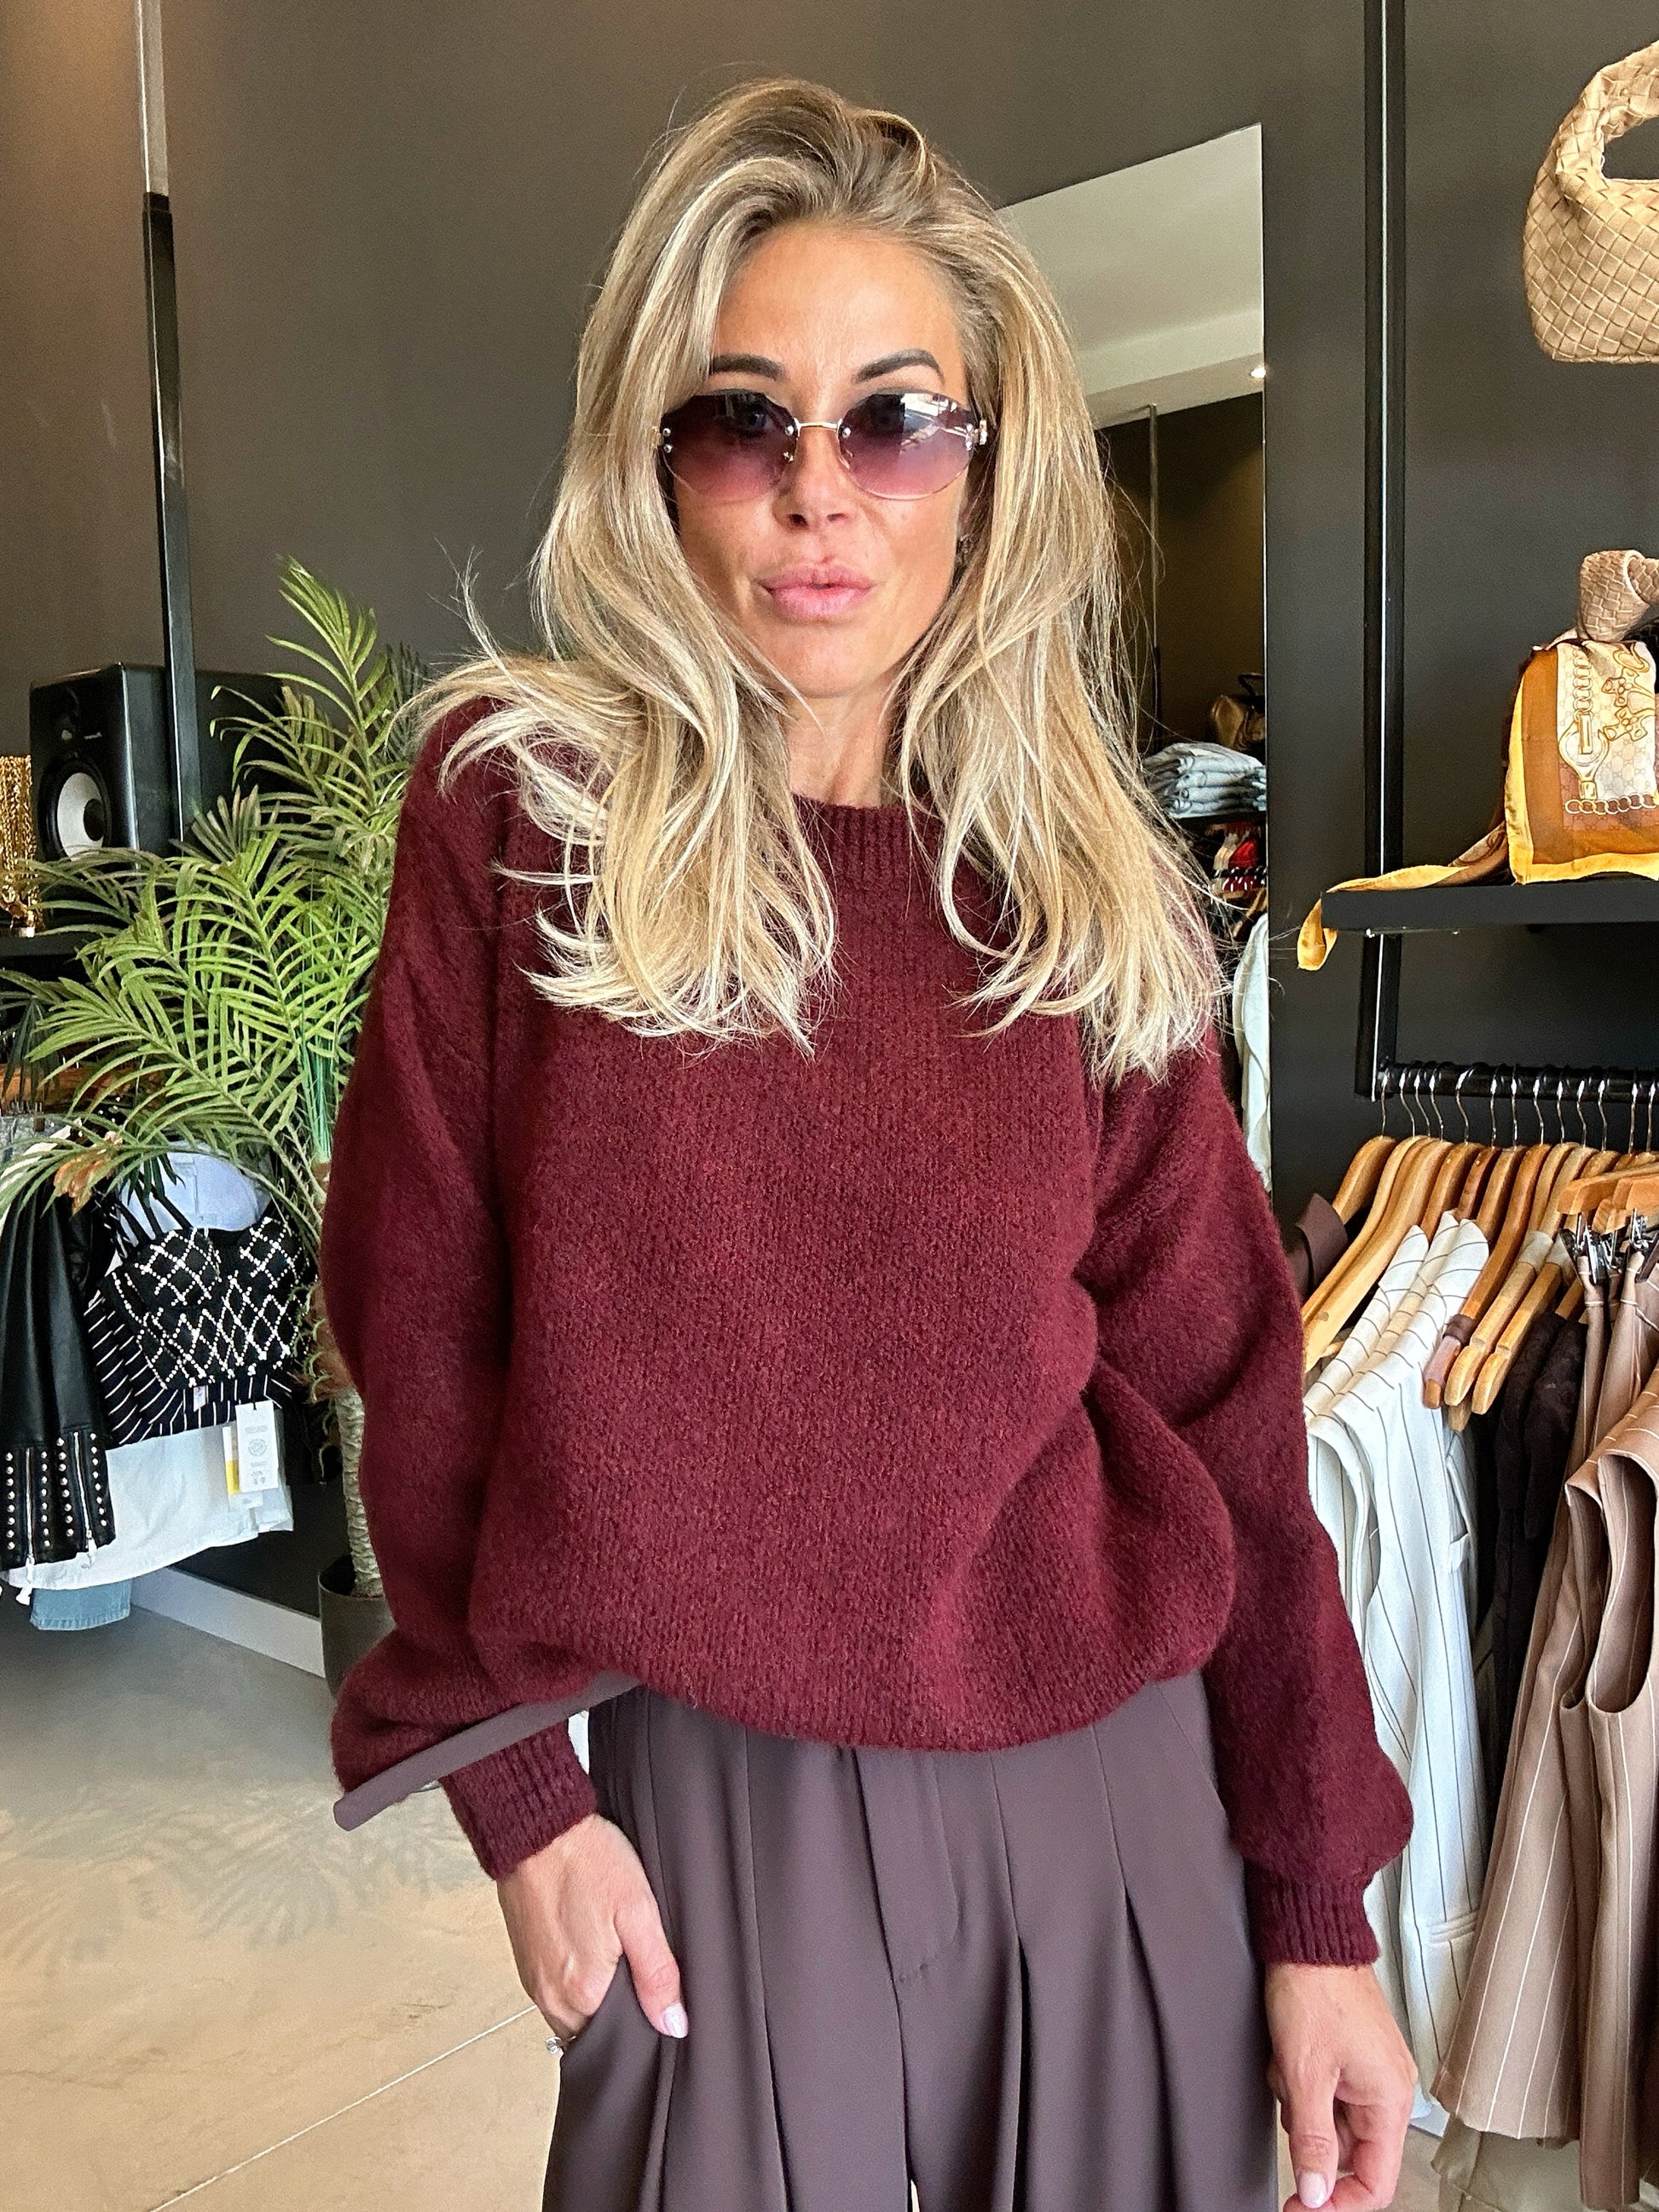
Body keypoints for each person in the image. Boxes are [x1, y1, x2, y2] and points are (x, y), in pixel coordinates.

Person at [319, 75, 1417, 2212]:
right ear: (656, 461)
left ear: (987, 470)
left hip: (1105, 1785)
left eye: (896, 420)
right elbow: (423, 1340)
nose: (820, 492)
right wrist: (522, 1793)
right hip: (715, 1812)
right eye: (746, 421)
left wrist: (1316, 1904)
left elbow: (1229, 1417)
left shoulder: (1083, 894)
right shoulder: (519, 821)